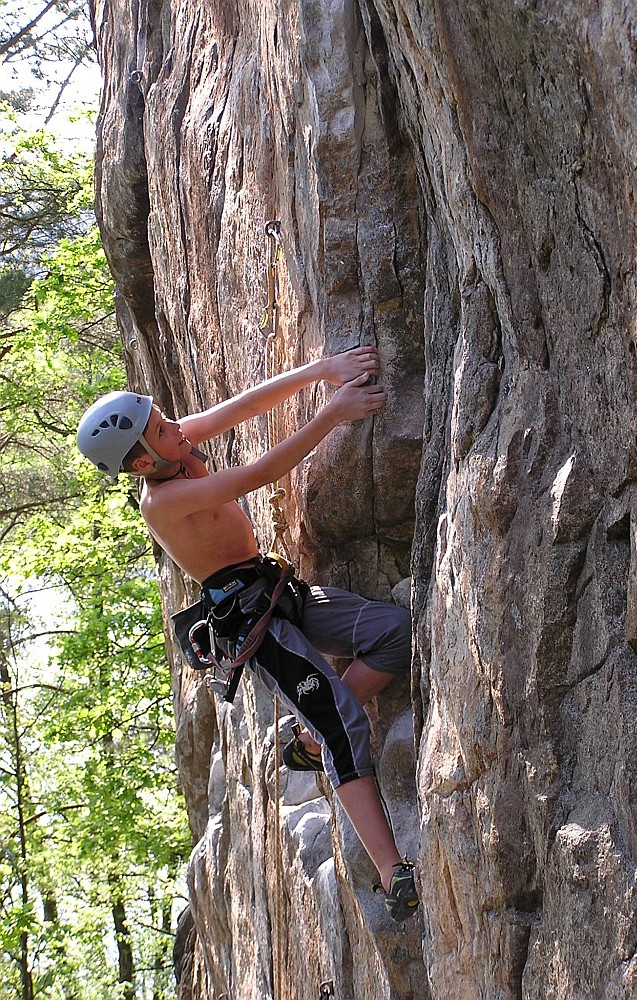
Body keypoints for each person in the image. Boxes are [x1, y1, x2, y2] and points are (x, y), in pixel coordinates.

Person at [76, 346, 419, 921]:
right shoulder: (163, 501)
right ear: (140, 463)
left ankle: (308, 744)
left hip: (276, 591)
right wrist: (334, 412)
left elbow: (240, 408)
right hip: (251, 624)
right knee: (344, 722)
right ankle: (392, 873)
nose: (176, 427)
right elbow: (257, 474)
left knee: (395, 632)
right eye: (161, 428)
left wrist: (319, 372)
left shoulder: (171, 448)